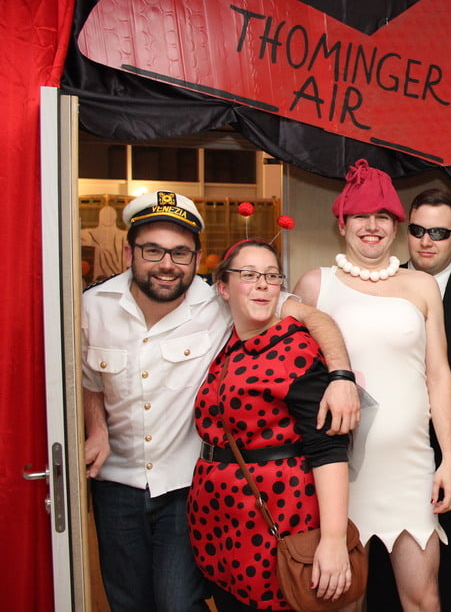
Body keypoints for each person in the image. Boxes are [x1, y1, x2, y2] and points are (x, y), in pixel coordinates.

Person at [82, 190, 360, 611]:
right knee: (127, 601)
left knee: (179, 603)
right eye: (153, 250)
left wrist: (340, 376)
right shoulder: (92, 306)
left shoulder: (217, 299)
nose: (167, 264)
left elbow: (312, 317)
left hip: (183, 487)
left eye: (180, 253)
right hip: (121, 484)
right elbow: (90, 380)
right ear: (128, 253)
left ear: (197, 259)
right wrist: (96, 428)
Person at [293, 160, 451, 612]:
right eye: (361, 216)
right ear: (342, 223)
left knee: (423, 598)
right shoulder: (316, 285)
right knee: (345, 601)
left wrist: (449, 458)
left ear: (395, 226)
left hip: (410, 465)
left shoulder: (421, 286)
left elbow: (438, 374)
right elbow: (295, 376)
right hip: (340, 471)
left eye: (383, 216)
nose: (372, 226)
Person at [187, 239, 352, 610]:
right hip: (219, 523)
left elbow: (328, 448)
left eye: (272, 275)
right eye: (249, 275)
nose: (262, 284)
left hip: (277, 517)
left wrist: (333, 540)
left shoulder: (296, 349)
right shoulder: (226, 341)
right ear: (223, 288)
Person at [367, 188, 451, 612]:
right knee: (383, 566)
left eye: (438, 233)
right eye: (418, 230)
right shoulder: (378, 287)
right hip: (385, 453)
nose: (426, 241)